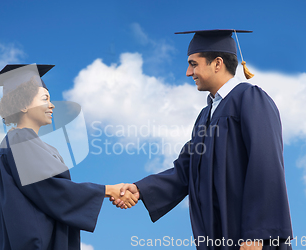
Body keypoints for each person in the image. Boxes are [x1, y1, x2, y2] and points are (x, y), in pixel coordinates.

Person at [113, 30, 293, 250]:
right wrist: (141, 189)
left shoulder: (251, 99)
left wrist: (258, 234)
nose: (189, 73)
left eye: (193, 64)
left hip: (248, 237)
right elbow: (185, 169)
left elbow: (266, 165)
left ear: (217, 63)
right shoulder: (205, 116)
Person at [0, 64, 138, 250]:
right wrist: (107, 190)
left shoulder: (44, 147)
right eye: (45, 99)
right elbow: (51, 188)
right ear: (23, 104)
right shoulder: (18, 139)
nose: (51, 105)